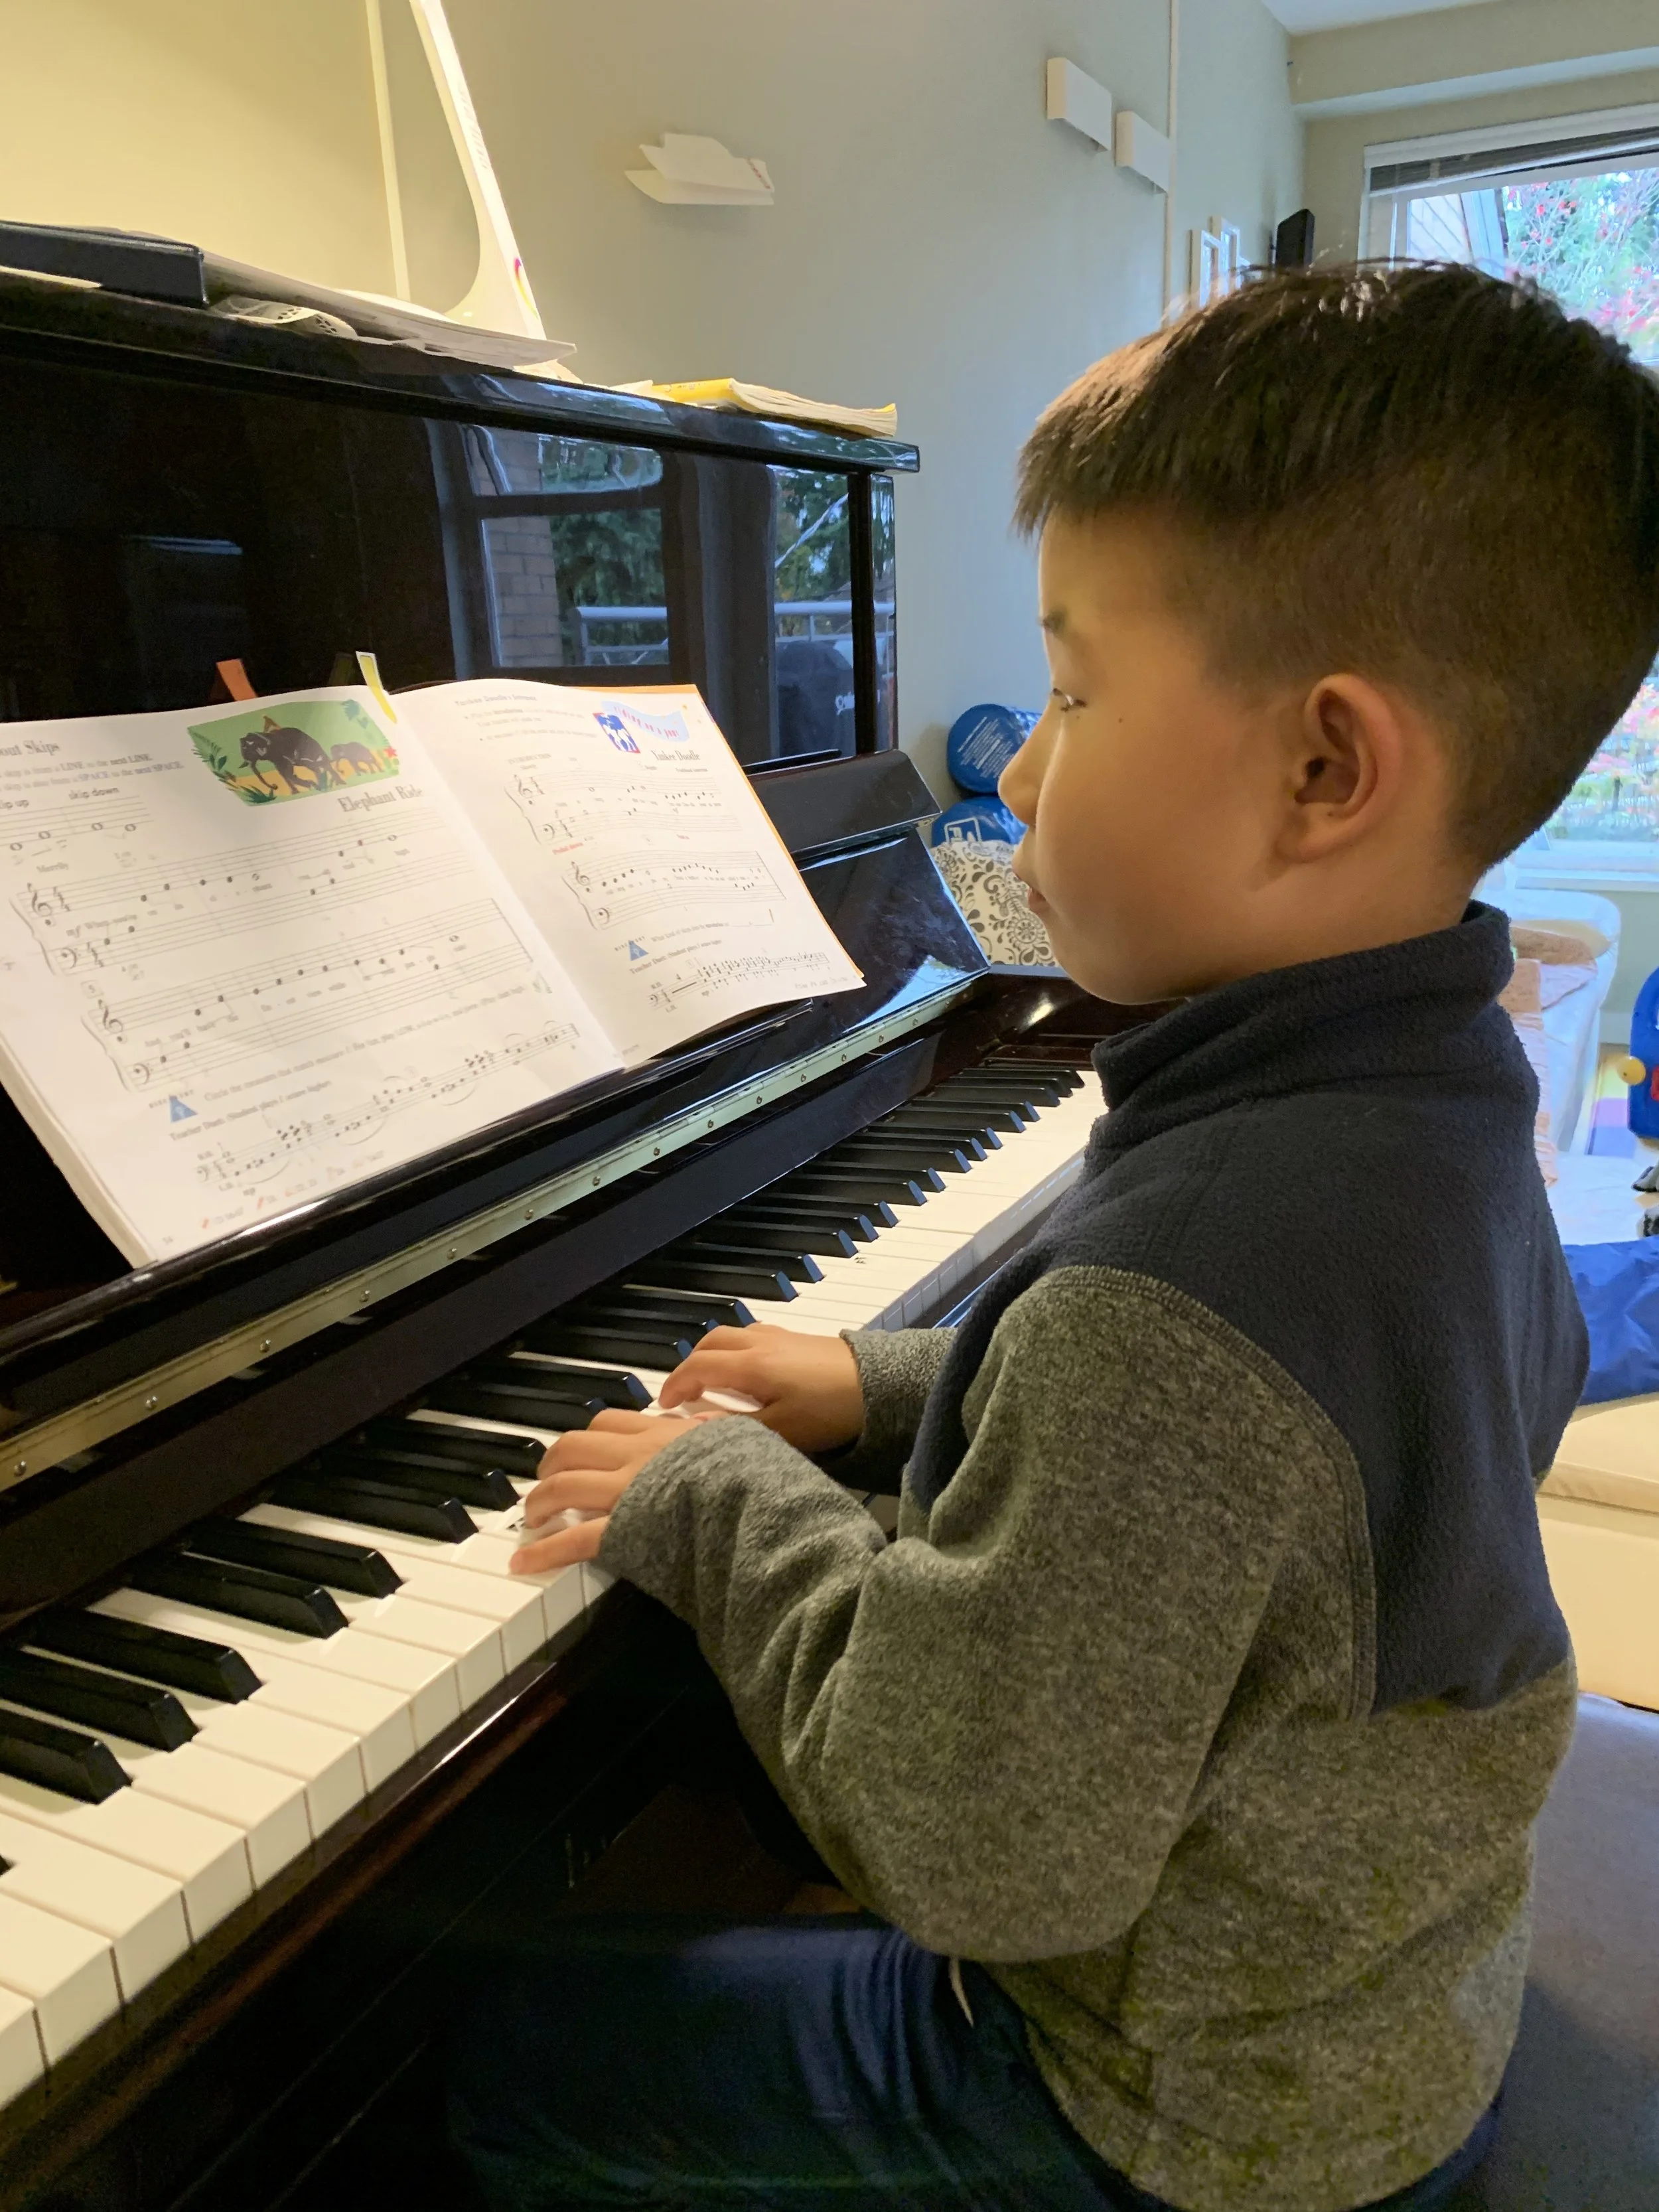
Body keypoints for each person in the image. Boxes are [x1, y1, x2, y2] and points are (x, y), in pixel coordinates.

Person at [451, 263, 1659, 2211]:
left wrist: (714, 1496)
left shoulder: (1179, 1283)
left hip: (1188, 2118)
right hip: (1386, 1995)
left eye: (1073, 691)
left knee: (513, 2057)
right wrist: (882, 1373)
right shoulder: (1441, 1099)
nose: (1012, 769)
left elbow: (977, 1850)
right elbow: (1289, 1460)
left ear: (1324, 770)